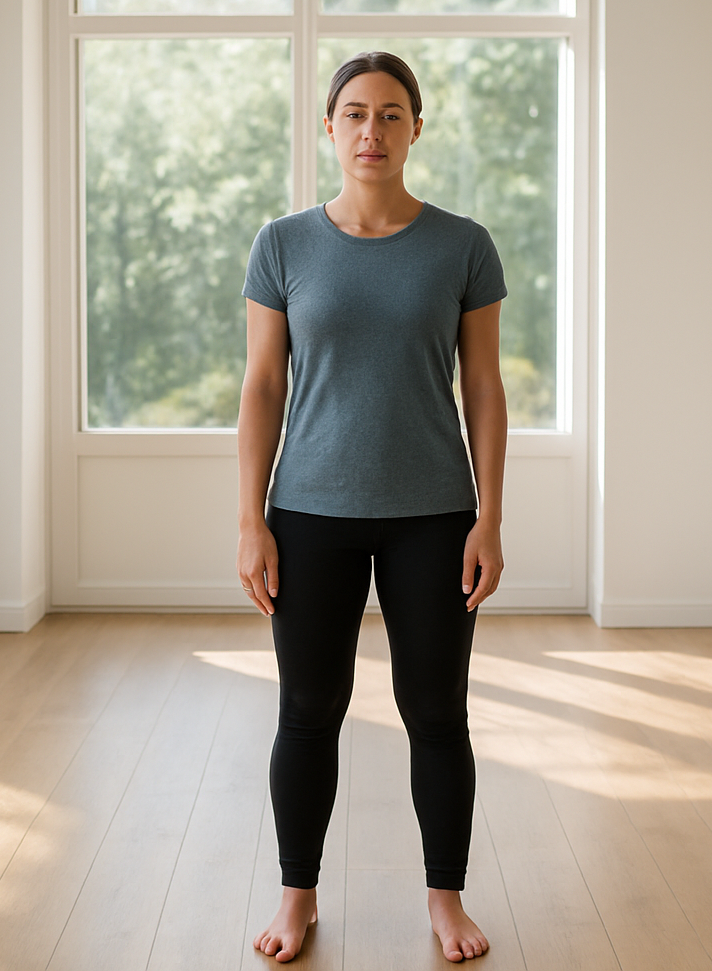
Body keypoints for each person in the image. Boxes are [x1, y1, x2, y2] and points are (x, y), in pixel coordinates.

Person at [236, 50, 508, 964]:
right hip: (309, 511)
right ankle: (297, 894)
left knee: (436, 712)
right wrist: (251, 518)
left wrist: (490, 517)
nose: (372, 131)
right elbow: (262, 385)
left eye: (392, 115)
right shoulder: (282, 244)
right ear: (329, 127)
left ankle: (445, 900)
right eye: (355, 113)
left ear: (416, 130)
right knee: (309, 708)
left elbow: (484, 387)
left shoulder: (463, 245)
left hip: (433, 513)